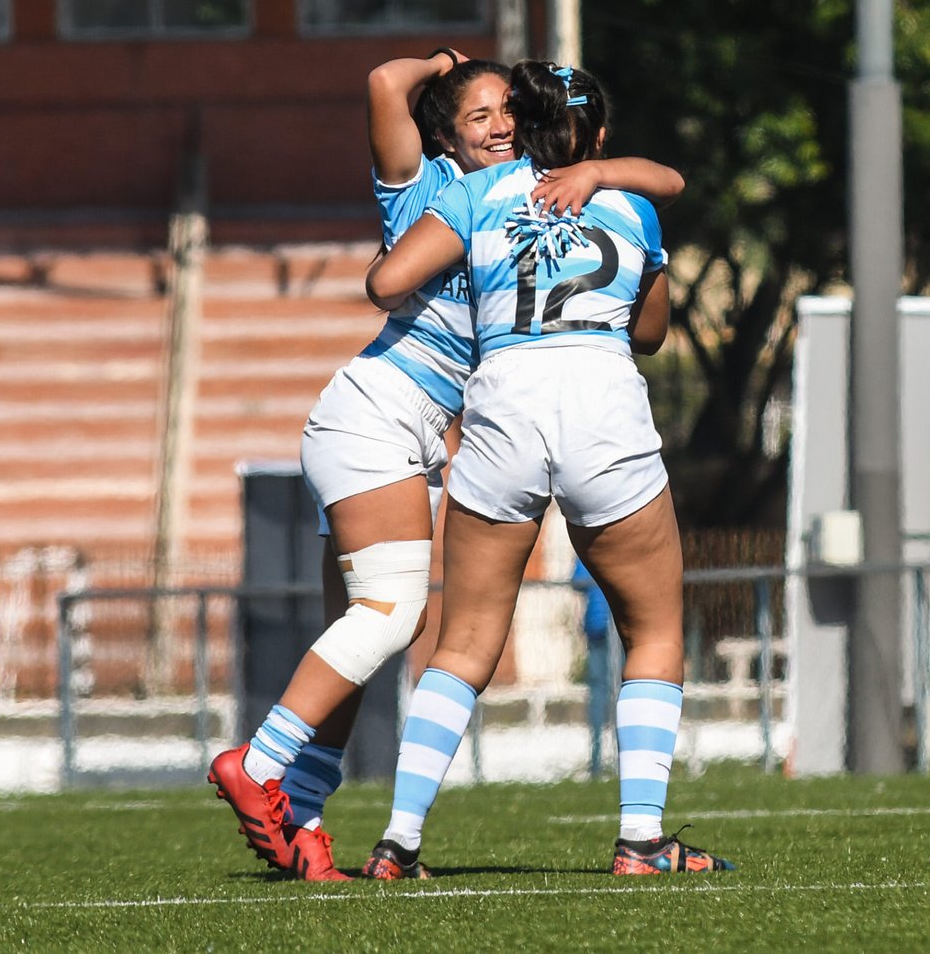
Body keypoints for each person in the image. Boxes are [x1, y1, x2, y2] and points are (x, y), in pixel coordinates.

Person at [208, 50, 685, 881]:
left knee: (365, 643)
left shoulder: (503, 195)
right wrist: (443, 65)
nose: (500, 126)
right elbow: (387, 238)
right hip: (381, 414)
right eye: (480, 116)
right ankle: (257, 764)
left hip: (423, 432)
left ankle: (306, 826)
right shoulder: (436, 191)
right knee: (393, 620)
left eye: (511, 114)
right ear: (444, 136)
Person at [360, 60, 734, 879]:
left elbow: (387, 282)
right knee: (655, 628)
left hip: (506, 400)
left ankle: (399, 840)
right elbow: (651, 333)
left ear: (519, 131)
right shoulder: (630, 203)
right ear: (598, 137)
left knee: (462, 641)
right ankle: (641, 840)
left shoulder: (475, 193)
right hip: (601, 399)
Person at [573, 556, 616, 779]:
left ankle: (601, 760)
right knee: (608, 693)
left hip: (600, 627)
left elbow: (578, 582)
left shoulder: (585, 546)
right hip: (605, 629)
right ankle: (601, 759)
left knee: (603, 693)